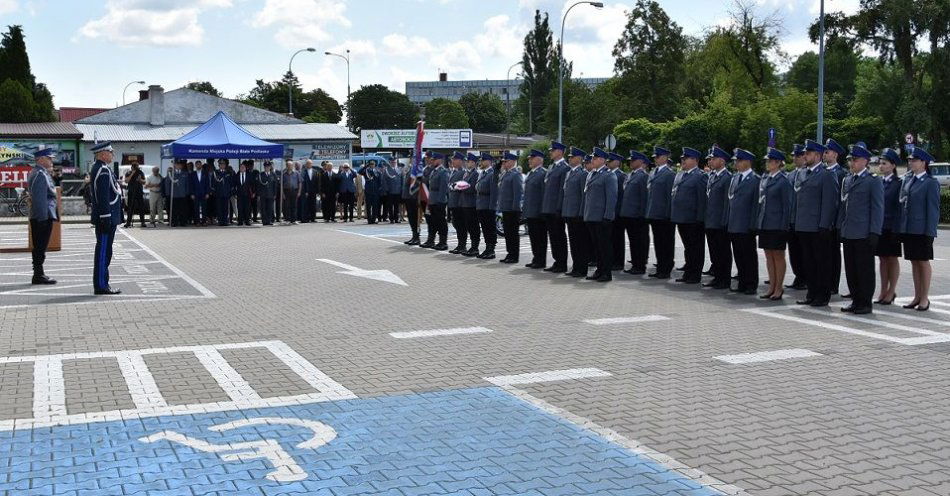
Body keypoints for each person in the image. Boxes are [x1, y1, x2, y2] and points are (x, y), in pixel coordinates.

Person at [837, 143, 884, 314]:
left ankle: (865, 302)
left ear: (865, 161)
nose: (852, 163)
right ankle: (855, 300)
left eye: (855, 160)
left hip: (864, 233)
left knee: (864, 270)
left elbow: (877, 208)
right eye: (850, 160)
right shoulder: (847, 179)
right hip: (849, 231)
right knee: (851, 269)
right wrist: (841, 227)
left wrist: (874, 232)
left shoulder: (873, 180)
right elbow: (844, 207)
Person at [794, 140, 839, 307]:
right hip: (804, 226)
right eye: (805, 152)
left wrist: (824, 225)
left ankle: (822, 295)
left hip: (818, 227)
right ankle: (811, 293)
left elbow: (830, 201)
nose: (805, 155)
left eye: (809, 153)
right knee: (809, 262)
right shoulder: (804, 173)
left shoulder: (826, 174)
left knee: (821, 263)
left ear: (818, 155)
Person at [899, 147, 940, 312]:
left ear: (924, 163)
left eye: (914, 160)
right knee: (914, 263)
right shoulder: (910, 180)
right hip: (910, 229)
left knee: (923, 263)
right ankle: (917, 296)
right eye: (909, 160)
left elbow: (933, 210)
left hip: (922, 230)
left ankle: (924, 298)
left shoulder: (930, 183)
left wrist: (930, 232)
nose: (911, 163)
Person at [756, 148, 794, 300]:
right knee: (768, 255)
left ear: (778, 163)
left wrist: (784, 225)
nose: (768, 163)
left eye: (770, 161)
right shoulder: (766, 178)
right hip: (766, 222)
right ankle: (771, 286)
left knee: (778, 255)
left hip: (777, 224)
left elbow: (787, 205)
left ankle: (779, 287)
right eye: (767, 161)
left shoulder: (783, 181)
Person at [89, 142, 123, 295]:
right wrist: (105, 217)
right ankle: (101, 285)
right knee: (103, 252)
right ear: (103, 154)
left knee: (105, 251)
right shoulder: (102, 170)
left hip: (107, 217)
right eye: (110, 151)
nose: (112, 154)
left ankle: (103, 283)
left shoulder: (102, 168)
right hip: (106, 218)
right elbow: (102, 197)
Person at [670, 147, 707, 284]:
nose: (683, 161)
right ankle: (688, 272)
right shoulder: (681, 175)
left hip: (693, 220)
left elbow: (702, 200)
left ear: (695, 160)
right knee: (688, 248)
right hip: (682, 218)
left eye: (686, 158)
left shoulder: (700, 176)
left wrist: (700, 218)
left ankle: (695, 274)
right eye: (682, 159)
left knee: (695, 248)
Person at [727, 148, 760, 295]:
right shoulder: (735, 178)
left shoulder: (754, 180)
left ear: (748, 162)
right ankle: (742, 282)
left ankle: (751, 283)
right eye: (736, 161)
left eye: (739, 161)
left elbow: (755, 205)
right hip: (734, 223)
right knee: (739, 255)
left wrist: (753, 225)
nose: (737, 163)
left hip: (746, 225)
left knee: (749, 256)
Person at [582, 148, 618, 282]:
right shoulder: (592, 174)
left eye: (595, 158)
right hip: (591, 217)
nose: (592, 160)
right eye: (592, 158)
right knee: (597, 247)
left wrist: (607, 216)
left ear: (602, 160)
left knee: (604, 247)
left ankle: (606, 273)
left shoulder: (609, 175)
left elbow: (611, 198)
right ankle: (599, 270)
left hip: (602, 218)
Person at [875, 148, 903, 305]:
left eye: (884, 163)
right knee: (882, 259)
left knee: (892, 259)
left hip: (892, 227)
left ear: (893, 166)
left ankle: (892, 291)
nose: (881, 166)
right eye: (880, 163)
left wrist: (897, 229)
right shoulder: (878, 181)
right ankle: (883, 290)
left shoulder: (898, 184)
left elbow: (899, 209)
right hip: (880, 226)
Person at [702, 146, 732, 289]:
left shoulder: (727, 178)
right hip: (710, 220)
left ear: (722, 160)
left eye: (714, 159)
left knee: (723, 252)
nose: (711, 161)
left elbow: (727, 202)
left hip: (720, 221)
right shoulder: (713, 176)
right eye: (711, 159)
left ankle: (724, 279)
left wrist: (725, 221)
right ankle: (717, 277)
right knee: (714, 252)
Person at [27, 148, 58, 285]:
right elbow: (40, 199)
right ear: (40, 159)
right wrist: (42, 219)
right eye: (49, 158)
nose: (52, 160)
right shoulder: (40, 174)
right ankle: (38, 275)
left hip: (42, 215)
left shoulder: (41, 172)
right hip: (42, 216)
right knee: (40, 246)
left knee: (40, 246)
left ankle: (39, 274)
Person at [645, 146, 676, 279]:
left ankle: (666, 268)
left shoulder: (669, 174)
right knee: (658, 242)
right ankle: (660, 267)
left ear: (664, 158)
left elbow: (670, 197)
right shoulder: (653, 173)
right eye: (654, 157)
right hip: (655, 214)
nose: (655, 159)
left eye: (657, 157)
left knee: (666, 243)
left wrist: (669, 214)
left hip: (665, 215)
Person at [619, 150, 650, 275]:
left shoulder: (643, 176)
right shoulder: (631, 175)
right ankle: (635, 263)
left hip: (638, 215)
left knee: (640, 241)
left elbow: (644, 198)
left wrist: (643, 214)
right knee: (633, 241)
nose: (630, 162)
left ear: (641, 162)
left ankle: (640, 265)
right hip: (629, 215)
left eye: (633, 160)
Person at [824, 137, 848, 295]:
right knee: (824, 254)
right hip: (823, 220)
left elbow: (841, 200)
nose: (825, 154)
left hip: (834, 220)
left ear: (835, 154)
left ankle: (833, 284)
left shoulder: (841, 173)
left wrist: (837, 221)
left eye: (827, 151)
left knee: (833, 254)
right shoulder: (823, 172)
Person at [542, 141, 569, 272]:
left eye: (552, 150)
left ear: (559, 151)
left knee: (559, 236)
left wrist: (559, 208)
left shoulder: (564, 168)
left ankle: (562, 262)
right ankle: (556, 261)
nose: (550, 153)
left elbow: (562, 191)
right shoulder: (552, 167)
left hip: (556, 209)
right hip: (548, 208)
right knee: (553, 237)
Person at [562, 147, 589, 277]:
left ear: (579, 159)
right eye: (569, 157)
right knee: (573, 242)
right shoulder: (569, 173)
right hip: (569, 213)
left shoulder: (583, 174)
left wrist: (581, 213)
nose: (569, 159)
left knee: (581, 243)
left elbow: (583, 196)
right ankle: (575, 267)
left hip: (577, 214)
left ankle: (582, 268)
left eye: (572, 157)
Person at [785, 144, 808, 290]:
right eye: (794, 156)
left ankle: (805, 277)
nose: (795, 158)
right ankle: (798, 275)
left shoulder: (808, 174)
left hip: (803, 220)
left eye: (797, 156)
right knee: (794, 251)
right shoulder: (791, 175)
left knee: (804, 251)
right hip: (791, 219)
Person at [520, 149, 548, 268]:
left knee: (540, 237)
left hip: (538, 212)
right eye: (529, 159)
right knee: (533, 237)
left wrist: (542, 211)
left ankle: (541, 260)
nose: (529, 161)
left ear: (539, 159)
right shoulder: (531, 173)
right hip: (530, 211)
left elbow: (544, 194)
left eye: (532, 158)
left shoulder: (543, 173)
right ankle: (536, 258)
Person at [497, 151, 524, 263]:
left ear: (513, 162)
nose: (504, 163)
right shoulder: (506, 174)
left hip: (512, 209)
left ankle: (514, 256)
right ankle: (509, 253)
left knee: (513, 233)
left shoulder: (516, 174)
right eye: (504, 161)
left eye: (506, 161)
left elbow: (518, 193)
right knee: (507, 233)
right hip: (505, 208)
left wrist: (515, 207)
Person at [475, 152, 499, 259]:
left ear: (489, 161)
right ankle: (487, 248)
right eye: (480, 160)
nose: (481, 162)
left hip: (488, 206)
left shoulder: (492, 174)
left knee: (490, 228)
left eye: (483, 160)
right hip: (481, 204)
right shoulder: (483, 173)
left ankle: (491, 250)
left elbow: (494, 192)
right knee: (484, 228)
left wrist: (492, 207)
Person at [606, 153, 627, 270]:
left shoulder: (621, 176)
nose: (608, 163)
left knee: (618, 238)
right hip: (611, 212)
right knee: (611, 238)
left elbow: (621, 196)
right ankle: (613, 260)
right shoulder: (608, 174)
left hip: (618, 212)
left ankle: (618, 262)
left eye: (611, 161)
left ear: (618, 162)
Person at [426, 153, 450, 250]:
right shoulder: (434, 171)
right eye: (432, 159)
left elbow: (443, 188)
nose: (432, 161)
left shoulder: (443, 172)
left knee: (441, 222)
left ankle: (443, 242)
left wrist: (440, 201)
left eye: (434, 159)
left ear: (440, 160)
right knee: (433, 222)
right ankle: (432, 240)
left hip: (439, 201)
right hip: (432, 200)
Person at [447, 151, 468, 254]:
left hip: (459, 203)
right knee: (456, 224)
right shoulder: (454, 171)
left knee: (461, 225)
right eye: (452, 160)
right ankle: (460, 245)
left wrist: (452, 186)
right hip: (453, 202)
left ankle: (462, 245)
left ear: (460, 161)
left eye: (455, 160)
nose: (453, 161)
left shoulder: (463, 172)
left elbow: (461, 185)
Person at [460, 153, 481, 256]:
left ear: (473, 163)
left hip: (472, 204)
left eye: (468, 161)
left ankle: (475, 247)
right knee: (469, 226)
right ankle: (472, 247)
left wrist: (461, 187)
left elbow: (471, 187)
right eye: (467, 161)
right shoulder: (466, 174)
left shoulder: (475, 174)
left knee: (474, 227)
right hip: (465, 203)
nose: (467, 163)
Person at [402, 159, 421, 245]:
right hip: (408, 197)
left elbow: (417, 184)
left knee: (415, 218)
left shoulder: (416, 171)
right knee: (411, 217)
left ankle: (417, 237)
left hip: (413, 197)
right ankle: (414, 236)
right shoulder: (410, 170)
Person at [123, 161, 146, 228]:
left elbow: (144, 182)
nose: (136, 169)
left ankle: (143, 222)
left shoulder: (140, 172)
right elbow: (126, 181)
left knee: (141, 207)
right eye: (135, 167)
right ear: (132, 167)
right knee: (130, 207)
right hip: (131, 192)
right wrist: (132, 174)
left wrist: (140, 180)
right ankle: (128, 222)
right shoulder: (128, 172)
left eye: (137, 167)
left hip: (139, 192)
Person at [211, 159, 232, 226]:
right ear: (219, 165)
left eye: (223, 164)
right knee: (219, 208)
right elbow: (213, 184)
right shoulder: (215, 173)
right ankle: (220, 221)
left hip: (226, 193)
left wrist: (230, 192)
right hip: (218, 194)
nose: (222, 165)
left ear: (225, 165)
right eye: (220, 164)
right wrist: (214, 193)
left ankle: (225, 221)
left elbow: (230, 184)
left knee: (225, 208)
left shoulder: (228, 173)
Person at [190, 160, 210, 226]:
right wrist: (192, 193)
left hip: (204, 193)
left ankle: (204, 221)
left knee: (204, 208)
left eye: (199, 164)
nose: (198, 165)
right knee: (196, 208)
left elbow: (207, 184)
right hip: (195, 194)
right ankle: (197, 222)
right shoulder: (192, 174)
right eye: (197, 164)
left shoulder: (205, 173)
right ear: (195, 166)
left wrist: (207, 193)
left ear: (201, 165)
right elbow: (191, 185)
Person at [257, 161, 277, 225]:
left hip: (270, 194)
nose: (267, 168)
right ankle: (264, 221)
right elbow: (258, 185)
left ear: (270, 167)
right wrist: (259, 194)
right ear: (264, 167)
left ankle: (269, 221)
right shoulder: (261, 174)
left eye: (268, 166)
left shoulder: (273, 174)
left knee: (270, 208)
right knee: (263, 208)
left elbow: (275, 185)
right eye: (266, 166)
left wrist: (275, 193)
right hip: (263, 194)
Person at [282, 160, 301, 224]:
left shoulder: (297, 173)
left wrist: (299, 192)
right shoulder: (284, 174)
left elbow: (300, 183)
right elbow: (281, 185)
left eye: (291, 165)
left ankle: (294, 220)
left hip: (294, 191)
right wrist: (283, 193)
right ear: (286, 166)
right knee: (287, 206)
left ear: (293, 166)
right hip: (286, 191)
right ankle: (287, 219)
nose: (290, 166)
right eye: (288, 165)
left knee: (294, 206)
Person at [235, 162, 254, 226]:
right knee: (240, 208)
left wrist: (253, 192)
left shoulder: (249, 175)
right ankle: (240, 221)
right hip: (239, 195)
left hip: (247, 195)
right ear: (239, 168)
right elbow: (234, 185)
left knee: (247, 208)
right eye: (241, 167)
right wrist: (235, 193)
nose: (242, 168)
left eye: (243, 167)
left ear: (245, 168)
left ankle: (247, 221)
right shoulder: (237, 175)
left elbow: (252, 184)